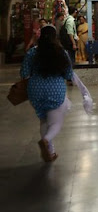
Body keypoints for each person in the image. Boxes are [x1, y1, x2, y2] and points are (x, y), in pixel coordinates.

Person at [20, 25, 74, 162]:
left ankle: (50, 152)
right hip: (55, 90)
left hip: (35, 90)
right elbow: (68, 74)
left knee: (44, 120)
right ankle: (46, 140)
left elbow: (24, 73)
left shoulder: (32, 52)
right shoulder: (61, 52)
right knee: (56, 122)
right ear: (55, 37)